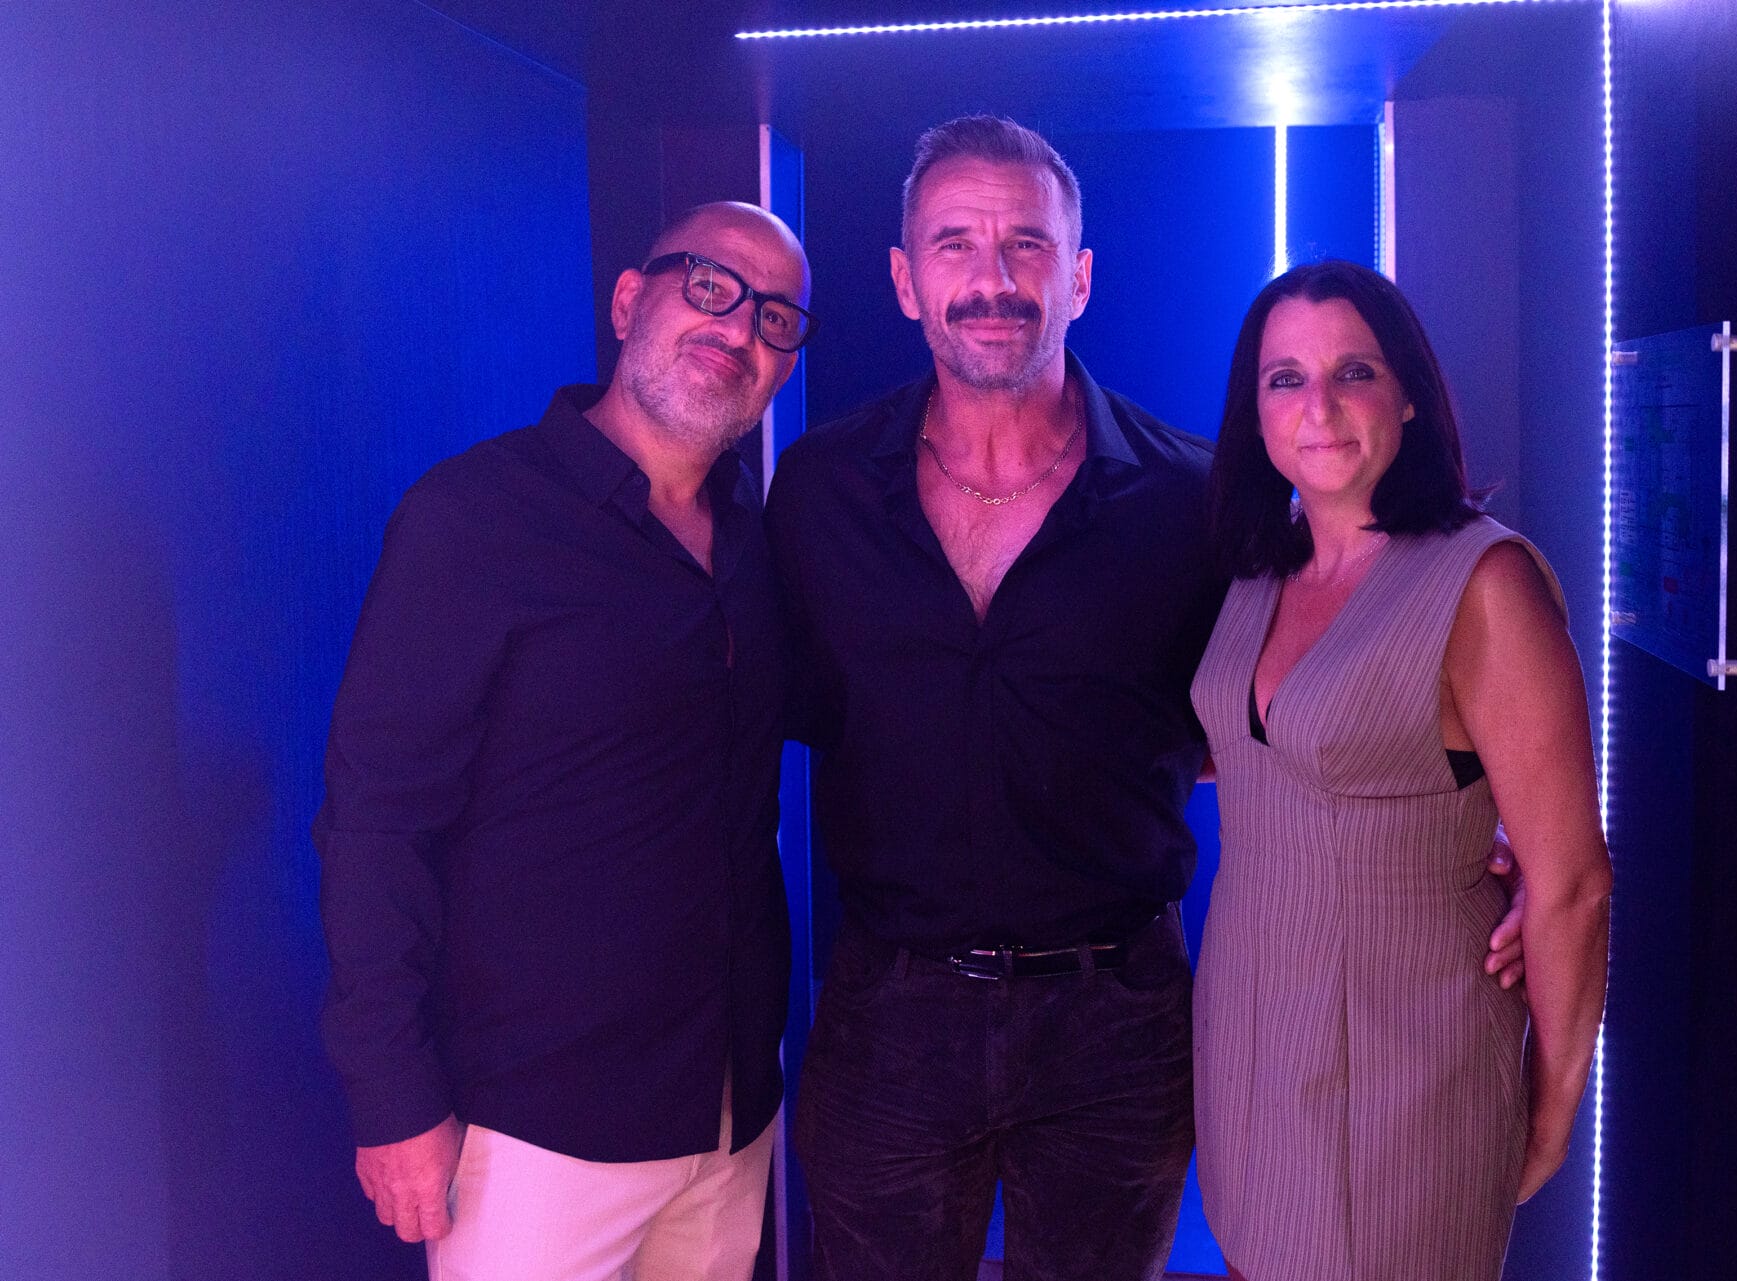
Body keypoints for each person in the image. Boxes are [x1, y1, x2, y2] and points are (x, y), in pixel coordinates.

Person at [766, 118, 1524, 1281]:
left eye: (1027, 244)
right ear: (905, 281)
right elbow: (785, 702)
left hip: (1117, 1020)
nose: (992, 278)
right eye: (956, 243)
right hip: (890, 1016)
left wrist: (1473, 819)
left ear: (1078, 277)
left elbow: (1276, 710)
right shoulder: (820, 488)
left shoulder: (1192, 502)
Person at [314, 201, 811, 1281]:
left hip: (730, 1110)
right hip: (533, 1131)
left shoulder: (757, 539)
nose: (739, 328)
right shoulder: (475, 518)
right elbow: (376, 821)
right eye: (711, 285)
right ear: (630, 301)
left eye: (776, 318)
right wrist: (392, 1096)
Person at [1190, 259, 1612, 1281]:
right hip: (1247, 1041)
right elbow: (1268, 752)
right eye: (1285, 379)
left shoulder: (1484, 583)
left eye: (1355, 372)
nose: (1319, 406)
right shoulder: (1259, 571)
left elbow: (1571, 884)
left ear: (1410, 394)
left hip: (1407, 1067)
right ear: (1255, 411)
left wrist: (1549, 1116)